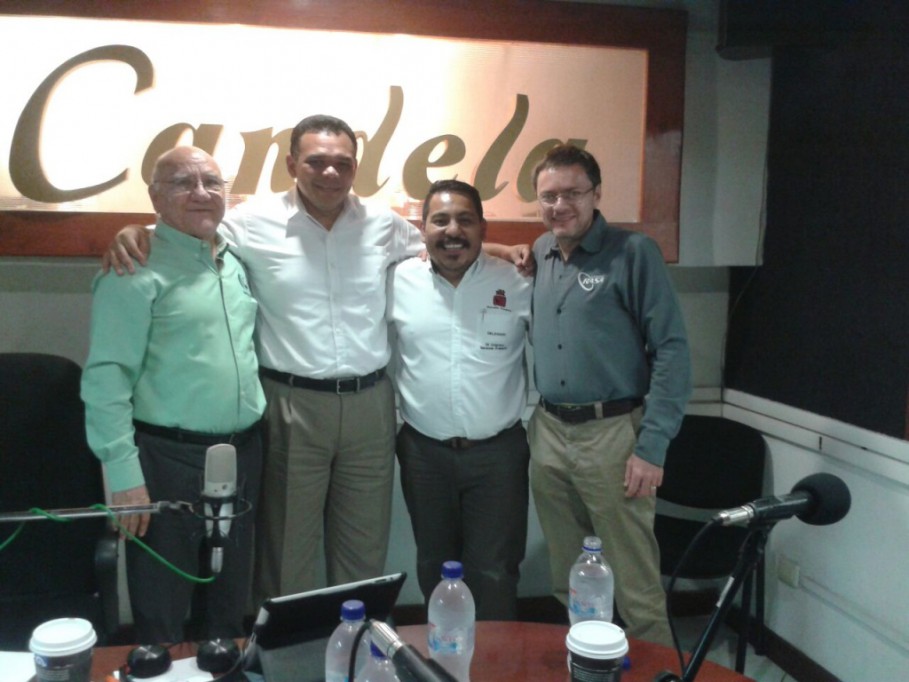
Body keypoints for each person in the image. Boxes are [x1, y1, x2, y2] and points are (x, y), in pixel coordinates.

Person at [103, 115, 531, 603]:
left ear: (355, 168)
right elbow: (190, 226)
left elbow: (445, 244)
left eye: (342, 163)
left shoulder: (382, 224)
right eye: (317, 162)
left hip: (370, 404)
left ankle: (359, 644)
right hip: (293, 404)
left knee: (364, 548)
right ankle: (295, 648)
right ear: (292, 164)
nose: (330, 173)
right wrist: (136, 230)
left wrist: (501, 249)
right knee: (289, 551)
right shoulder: (251, 222)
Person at [81, 146, 266, 643]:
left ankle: (223, 668)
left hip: (243, 452)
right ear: (155, 198)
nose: (201, 193)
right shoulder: (134, 267)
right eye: (184, 183)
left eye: (212, 182)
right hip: (166, 458)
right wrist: (123, 476)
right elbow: (106, 380)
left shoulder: (234, 257)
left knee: (229, 599)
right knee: (161, 601)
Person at [527, 144, 691, 645]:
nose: (560, 205)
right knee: (569, 578)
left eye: (572, 193)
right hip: (549, 432)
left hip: (613, 436)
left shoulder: (633, 253)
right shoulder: (541, 251)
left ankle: (657, 672)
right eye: (549, 196)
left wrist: (652, 447)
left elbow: (671, 349)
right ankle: (588, 662)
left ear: (596, 194)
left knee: (635, 585)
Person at [388, 180, 532, 620]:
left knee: (495, 571)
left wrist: (508, 252)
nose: (453, 231)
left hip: (498, 455)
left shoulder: (518, 281)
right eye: (441, 220)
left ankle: (495, 656)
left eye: (465, 220)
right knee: (434, 565)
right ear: (423, 230)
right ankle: (443, 652)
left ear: (483, 228)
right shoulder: (397, 280)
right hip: (423, 454)